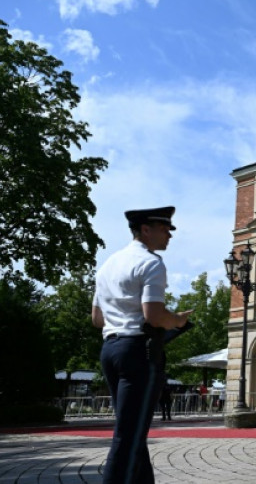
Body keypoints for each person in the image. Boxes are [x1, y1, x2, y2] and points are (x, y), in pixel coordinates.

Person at [92, 206, 192, 484]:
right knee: (127, 438)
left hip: (110, 350)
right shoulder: (151, 263)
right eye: (164, 229)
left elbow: (97, 319)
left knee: (133, 432)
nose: (169, 236)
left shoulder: (108, 264)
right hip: (139, 352)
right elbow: (154, 315)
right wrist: (178, 321)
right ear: (145, 229)